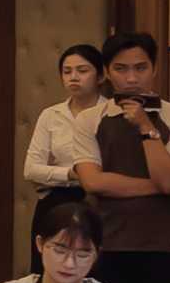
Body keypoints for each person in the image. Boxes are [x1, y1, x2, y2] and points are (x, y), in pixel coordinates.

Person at [71, 35, 170, 283]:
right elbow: (93, 182)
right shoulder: (89, 119)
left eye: (140, 68)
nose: (131, 78)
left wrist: (146, 126)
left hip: (165, 244)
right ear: (107, 72)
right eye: (121, 69)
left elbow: (169, 181)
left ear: (154, 69)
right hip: (104, 242)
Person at [19, 42, 115, 241]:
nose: (73, 77)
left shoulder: (112, 113)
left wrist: (89, 176)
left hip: (102, 201)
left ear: (100, 76)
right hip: (57, 200)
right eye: (67, 71)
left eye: (82, 71)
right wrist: (70, 173)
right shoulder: (51, 114)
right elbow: (31, 169)